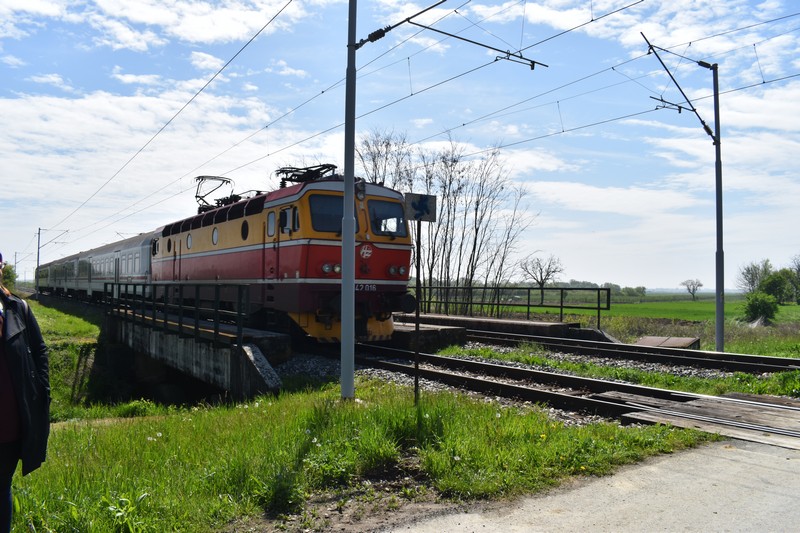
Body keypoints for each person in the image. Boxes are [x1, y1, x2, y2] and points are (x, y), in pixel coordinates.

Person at [0, 253, 50, 533]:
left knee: (1, 487)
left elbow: (39, 350)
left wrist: (41, 390)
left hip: (9, 423)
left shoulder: (17, 308)